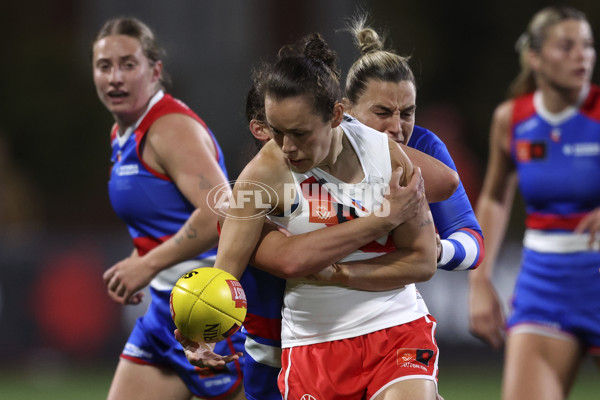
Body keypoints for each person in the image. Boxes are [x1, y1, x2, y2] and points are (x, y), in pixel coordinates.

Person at [178, 79, 457, 400]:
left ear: (336, 117)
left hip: (394, 327)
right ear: (263, 129)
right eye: (279, 132)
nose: (287, 146)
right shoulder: (252, 188)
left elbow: (443, 191)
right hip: (298, 350)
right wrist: (205, 335)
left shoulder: (379, 152)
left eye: (300, 132)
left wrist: (408, 211)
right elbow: (286, 262)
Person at [91, 17, 246, 400]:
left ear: (155, 70)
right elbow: (165, 216)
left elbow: (221, 212)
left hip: (213, 309)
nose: (115, 77)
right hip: (166, 310)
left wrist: (147, 264)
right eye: (104, 66)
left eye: (128, 64)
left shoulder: (169, 128)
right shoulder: (124, 132)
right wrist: (141, 260)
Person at [468, 6, 600, 399]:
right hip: (544, 283)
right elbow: (493, 198)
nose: (583, 55)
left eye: (589, 46)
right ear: (535, 58)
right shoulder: (512, 119)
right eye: (567, 46)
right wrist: (479, 279)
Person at [342, 15, 484, 272]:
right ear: (346, 109)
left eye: (407, 113)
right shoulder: (318, 146)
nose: (397, 128)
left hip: (395, 287)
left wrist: (441, 251)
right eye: (382, 113)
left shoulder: (424, 145)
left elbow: (472, 240)